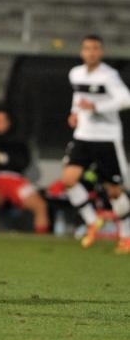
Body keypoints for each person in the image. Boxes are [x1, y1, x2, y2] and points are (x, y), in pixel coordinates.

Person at [62, 34, 130, 253]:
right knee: (69, 179)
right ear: (82, 52)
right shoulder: (76, 73)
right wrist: (74, 113)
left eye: (95, 48)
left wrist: (97, 108)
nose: (91, 52)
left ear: (101, 52)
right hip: (83, 135)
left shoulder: (109, 75)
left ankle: (127, 235)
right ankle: (93, 222)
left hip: (107, 137)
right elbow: (78, 96)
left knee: (114, 191)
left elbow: (125, 99)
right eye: (87, 48)